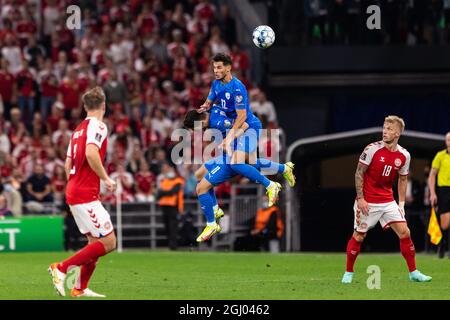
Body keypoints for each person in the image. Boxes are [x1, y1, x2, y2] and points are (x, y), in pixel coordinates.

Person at [342, 115, 432, 284]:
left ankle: (413, 273)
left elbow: (403, 179)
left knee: (405, 232)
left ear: (397, 133)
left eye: (389, 129)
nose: (385, 131)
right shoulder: (371, 149)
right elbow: (359, 173)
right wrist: (361, 198)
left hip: (388, 201)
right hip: (368, 201)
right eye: (384, 128)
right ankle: (348, 272)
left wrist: (401, 204)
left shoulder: (404, 155)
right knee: (359, 237)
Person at [184, 107, 295, 242]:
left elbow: (244, 124)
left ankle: (212, 223)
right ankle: (284, 169)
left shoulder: (218, 121)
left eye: (196, 129)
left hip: (234, 152)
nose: (198, 132)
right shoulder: (214, 112)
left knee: (202, 187)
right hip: (230, 152)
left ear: (199, 122)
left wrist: (229, 141)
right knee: (200, 174)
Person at [48, 87, 117, 298]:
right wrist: (105, 178)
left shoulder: (77, 130)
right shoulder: (99, 125)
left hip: (76, 190)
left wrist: (75, 183)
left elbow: (67, 162)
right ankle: (60, 268)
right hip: (84, 194)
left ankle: (79, 288)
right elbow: (91, 152)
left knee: (93, 243)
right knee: (108, 242)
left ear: (85, 107)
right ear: (104, 106)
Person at [428, 132, 450, 258]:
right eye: (448, 140)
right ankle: (442, 244)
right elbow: (432, 175)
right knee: (445, 223)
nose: (449, 142)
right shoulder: (440, 156)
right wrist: (432, 193)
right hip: (444, 190)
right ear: (446, 142)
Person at [156, 163, 184, 250]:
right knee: (167, 226)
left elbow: (172, 192)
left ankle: (174, 246)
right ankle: (170, 244)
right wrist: (165, 193)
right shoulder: (164, 180)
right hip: (164, 206)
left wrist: (164, 192)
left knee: (173, 227)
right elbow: (159, 194)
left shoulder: (178, 181)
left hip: (173, 207)